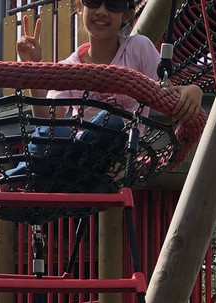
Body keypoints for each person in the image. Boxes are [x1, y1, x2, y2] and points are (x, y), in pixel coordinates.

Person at [11, 0, 203, 186]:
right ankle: (20, 176)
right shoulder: (68, 67)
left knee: (111, 121)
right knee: (57, 131)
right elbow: (47, 123)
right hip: (72, 152)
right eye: (94, 2)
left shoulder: (137, 48)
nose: (102, 11)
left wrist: (193, 90)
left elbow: (166, 91)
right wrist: (32, 68)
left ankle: (36, 175)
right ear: (80, 6)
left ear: (126, 15)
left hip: (114, 154)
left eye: (113, 5)